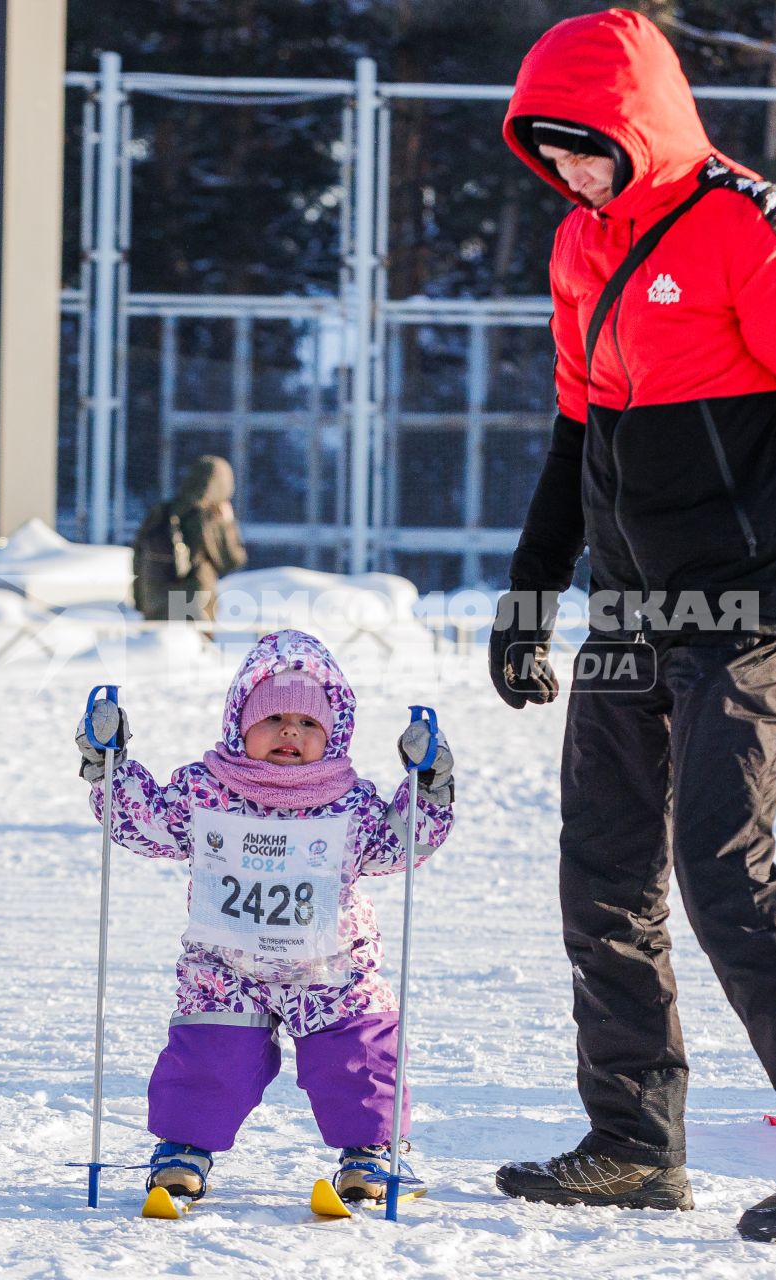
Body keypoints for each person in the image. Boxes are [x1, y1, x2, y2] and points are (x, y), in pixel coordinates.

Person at [487, 10, 776, 1242]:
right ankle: (634, 1138)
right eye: (552, 153)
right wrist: (531, 596)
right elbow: (579, 437)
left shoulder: (749, 220)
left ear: (640, 125)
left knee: (721, 869)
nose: (573, 174)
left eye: (589, 148)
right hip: (635, 603)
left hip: (744, 608)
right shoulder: (581, 247)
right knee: (601, 868)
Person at [76, 628, 455, 1204]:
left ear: (331, 734)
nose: (289, 733)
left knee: (357, 1057)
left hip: (330, 963)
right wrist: (107, 765)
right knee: (209, 1059)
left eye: (307, 724)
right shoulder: (206, 791)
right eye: (273, 720)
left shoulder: (348, 799)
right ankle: (183, 1148)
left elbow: (400, 844)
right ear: (239, 725)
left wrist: (428, 788)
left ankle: (369, 1153)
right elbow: (145, 822)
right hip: (227, 964)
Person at [132, 454, 248, 622]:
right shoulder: (207, 516)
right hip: (192, 607)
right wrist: (227, 524)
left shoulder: (162, 511)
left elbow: (137, 555)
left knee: (158, 646)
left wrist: (140, 600)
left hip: (154, 603)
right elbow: (231, 560)